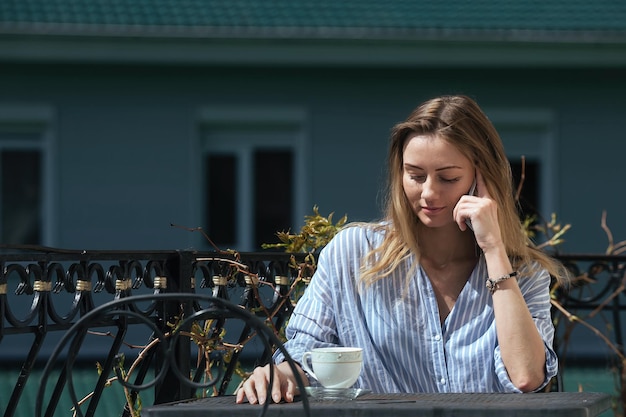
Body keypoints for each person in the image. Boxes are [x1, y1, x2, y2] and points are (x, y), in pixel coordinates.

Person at [236, 94, 567, 405]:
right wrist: (279, 374)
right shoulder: (353, 253)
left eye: (448, 178)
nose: (429, 193)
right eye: (416, 175)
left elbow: (526, 377)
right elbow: (306, 348)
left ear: (482, 179)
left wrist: (494, 249)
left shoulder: (522, 274)